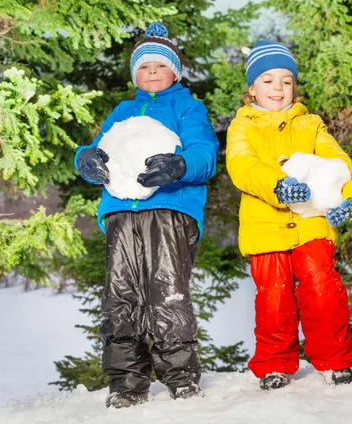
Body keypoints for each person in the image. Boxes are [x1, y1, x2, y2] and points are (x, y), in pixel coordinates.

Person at [74, 22, 219, 407]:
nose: (152, 72)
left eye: (160, 65)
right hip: (122, 211)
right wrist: (84, 158)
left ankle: (181, 377)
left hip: (171, 208)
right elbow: (98, 148)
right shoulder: (122, 111)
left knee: (166, 292)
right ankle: (126, 382)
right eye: (144, 66)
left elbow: (205, 153)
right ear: (134, 74)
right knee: (120, 296)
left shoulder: (187, 107)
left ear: (175, 71)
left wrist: (179, 165)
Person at [226, 40, 352, 390]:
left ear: (295, 87)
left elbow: (342, 165)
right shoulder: (242, 127)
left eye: (286, 80)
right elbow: (242, 165)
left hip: (311, 222)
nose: (278, 88)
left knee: (323, 287)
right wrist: (277, 185)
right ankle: (275, 363)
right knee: (273, 297)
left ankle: (334, 359)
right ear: (252, 89)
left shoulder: (311, 125)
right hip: (264, 227)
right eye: (268, 80)